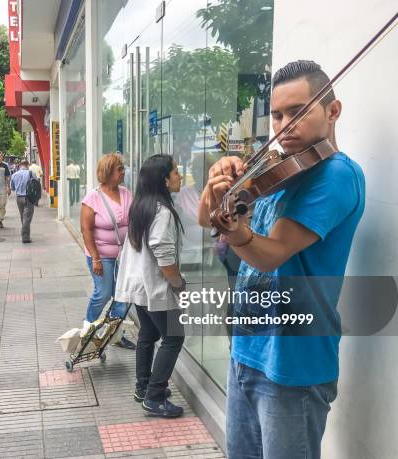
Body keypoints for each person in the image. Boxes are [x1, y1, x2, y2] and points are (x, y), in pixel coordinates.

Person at [197, 60, 365, 458]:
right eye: (276, 114)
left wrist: (235, 230)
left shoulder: (336, 175)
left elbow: (270, 254)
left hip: (293, 367)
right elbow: (207, 219)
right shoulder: (277, 168)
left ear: (333, 111)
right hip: (246, 353)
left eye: (298, 112)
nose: (284, 126)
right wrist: (216, 187)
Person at [115, 154, 186, 418]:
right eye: (176, 172)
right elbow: (164, 255)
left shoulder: (141, 205)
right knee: (174, 337)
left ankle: (143, 387)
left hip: (137, 286)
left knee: (148, 333)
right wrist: (178, 284)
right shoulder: (163, 212)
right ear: (164, 180)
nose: (179, 176)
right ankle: (154, 396)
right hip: (154, 287)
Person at [80, 153, 135, 350]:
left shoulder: (127, 193)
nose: (123, 172)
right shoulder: (92, 199)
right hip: (100, 255)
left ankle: (115, 334)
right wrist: (95, 258)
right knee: (103, 293)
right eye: (119, 169)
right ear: (108, 172)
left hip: (124, 255)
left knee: (122, 297)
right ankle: (87, 329)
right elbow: (86, 230)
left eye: (122, 169)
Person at [10, 160, 35, 243]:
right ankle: (25, 237)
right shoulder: (30, 173)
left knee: (23, 217)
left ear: (20, 165)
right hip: (29, 197)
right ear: (27, 165)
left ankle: (25, 233)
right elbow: (36, 184)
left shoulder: (14, 175)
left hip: (19, 198)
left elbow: (12, 188)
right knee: (27, 218)